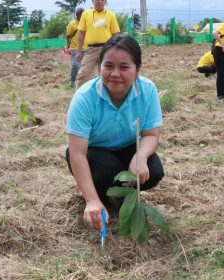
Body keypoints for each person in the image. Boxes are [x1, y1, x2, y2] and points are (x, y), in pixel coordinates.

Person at [66, 34, 164, 231]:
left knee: (153, 171)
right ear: (99, 67)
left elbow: (151, 135)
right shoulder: (85, 97)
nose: (115, 74)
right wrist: (91, 200)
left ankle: (122, 196)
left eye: (124, 67)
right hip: (93, 152)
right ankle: (98, 199)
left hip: (127, 147)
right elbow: (77, 154)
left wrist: (140, 156)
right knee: (106, 170)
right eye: (108, 66)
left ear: (137, 70)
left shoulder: (147, 90)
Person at [75, 0, 120, 89]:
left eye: (102, 0)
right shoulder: (85, 14)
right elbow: (81, 33)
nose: (99, 1)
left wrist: (116, 50)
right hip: (90, 50)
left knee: (107, 75)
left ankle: (107, 97)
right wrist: (79, 51)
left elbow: (115, 34)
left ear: (105, 1)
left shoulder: (111, 15)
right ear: (92, 1)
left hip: (107, 49)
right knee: (83, 75)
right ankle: (80, 98)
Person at [65, 7, 86, 88]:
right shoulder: (72, 24)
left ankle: (81, 83)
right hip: (74, 48)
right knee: (76, 65)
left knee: (82, 67)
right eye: (83, 14)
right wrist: (66, 46)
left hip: (85, 48)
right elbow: (67, 36)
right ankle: (72, 81)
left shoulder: (86, 23)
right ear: (79, 15)